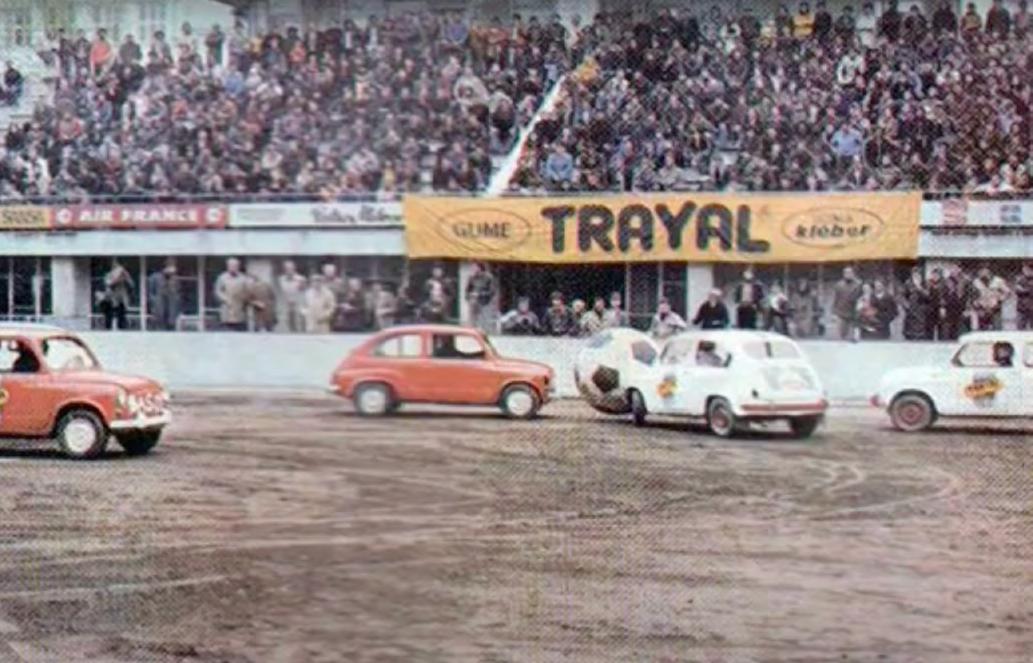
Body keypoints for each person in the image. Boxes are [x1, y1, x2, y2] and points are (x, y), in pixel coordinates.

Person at [214, 258, 249, 332]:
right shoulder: (222, 278)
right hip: (227, 309)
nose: (233, 268)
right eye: (231, 266)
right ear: (228, 267)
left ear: (238, 267)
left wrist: (244, 298)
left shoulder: (243, 278)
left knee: (240, 330)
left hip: (240, 310)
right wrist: (225, 299)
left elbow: (247, 291)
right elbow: (217, 291)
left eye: (235, 266)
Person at [147, 259, 180, 331]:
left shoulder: (174, 279)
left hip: (171, 308)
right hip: (159, 307)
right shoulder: (154, 277)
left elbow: (177, 293)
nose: (172, 271)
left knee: (170, 326)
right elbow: (151, 293)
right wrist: (154, 303)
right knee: (159, 325)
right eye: (170, 267)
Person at [102, 259, 135, 330]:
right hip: (111, 300)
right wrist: (118, 278)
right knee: (109, 319)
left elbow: (132, 285)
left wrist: (126, 276)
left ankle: (121, 329)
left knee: (121, 319)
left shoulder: (125, 275)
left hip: (122, 300)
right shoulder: (109, 275)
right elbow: (109, 284)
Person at [465, 262, 497, 333]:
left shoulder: (488, 277)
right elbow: (467, 290)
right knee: (472, 319)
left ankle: (484, 332)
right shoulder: (471, 277)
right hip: (474, 301)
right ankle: (472, 332)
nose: (472, 269)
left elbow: (492, 292)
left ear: (479, 268)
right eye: (472, 267)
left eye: (474, 267)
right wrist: (469, 297)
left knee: (484, 322)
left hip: (485, 302)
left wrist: (479, 294)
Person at [832, 267, 863, 341]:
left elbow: (861, 297)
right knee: (841, 334)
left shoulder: (858, 284)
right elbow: (836, 298)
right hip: (841, 312)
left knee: (851, 337)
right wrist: (834, 312)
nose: (848, 274)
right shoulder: (839, 285)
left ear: (853, 273)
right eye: (846, 273)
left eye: (849, 273)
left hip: (853, 313)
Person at [902, 268, 932, 341]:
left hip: (921, 313)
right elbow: (902, 296)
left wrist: (919, 287)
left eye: (918, 274)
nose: (916, 276)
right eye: (914, 274)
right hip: (911, 312)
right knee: (909, 334)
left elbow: (928, 296)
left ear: (921, 275)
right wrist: (906, 305)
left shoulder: (925, 283)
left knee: (920, 335)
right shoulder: (908, 283)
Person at [278, 260, 307, 333]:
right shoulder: (281, 279)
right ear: (284, 269)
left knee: (301, 325)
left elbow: (304, 293)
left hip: (299, 306)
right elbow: (283, 293)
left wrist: (304, 308)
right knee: (290, 326)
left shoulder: (301, 279)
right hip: (288, 306)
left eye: (291, 268)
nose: (289, 270)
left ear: (294, 268)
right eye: (287, 268)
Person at [1014, 263, 1033, 330]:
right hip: (1022, 309)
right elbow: (1017, 290)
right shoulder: (1019, 279)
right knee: (1020, 328)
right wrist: (1028, 290)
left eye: (1029, 269)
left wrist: (1024, 289)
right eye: (1025, 269)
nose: (1026, 271)